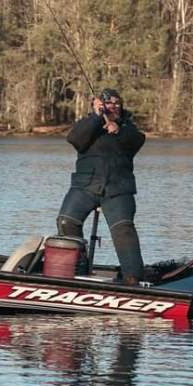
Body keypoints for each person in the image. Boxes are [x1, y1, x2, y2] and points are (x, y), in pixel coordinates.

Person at [56, 88, 146, 285]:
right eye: (108, 103)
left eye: (117, 103)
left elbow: (136, 141)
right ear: (98, 106)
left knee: (124, 229)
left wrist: (118, 129)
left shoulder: (129, 129)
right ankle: (78, 268)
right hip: (85, 186)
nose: (112, 106)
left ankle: (133, 277)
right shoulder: (88, 125)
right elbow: (75, 139)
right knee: (66, 221)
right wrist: (97, 118)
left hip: (118, 189)